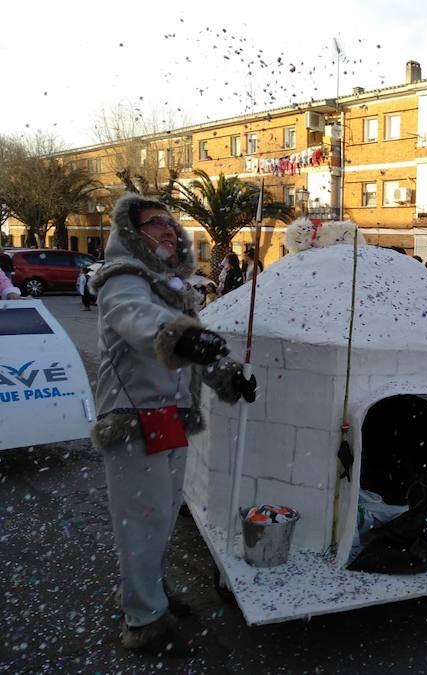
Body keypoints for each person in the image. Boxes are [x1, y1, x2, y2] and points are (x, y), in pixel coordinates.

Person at [89, 193, 257, 655]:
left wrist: (226, 372)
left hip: (170, 416)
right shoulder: (122, 279)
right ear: (130, 234)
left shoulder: (170, 283)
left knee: (160, 517)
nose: (167, 229)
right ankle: (143, 621)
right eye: (153, 222)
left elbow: (192, 350)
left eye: (169, 221)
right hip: (134, 417)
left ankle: (144, 594)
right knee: (141, 521)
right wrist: (186, 336)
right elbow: (139, 320)